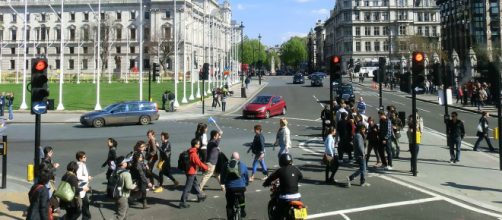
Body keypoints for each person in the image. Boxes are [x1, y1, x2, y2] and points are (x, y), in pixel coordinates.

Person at [262, 154, 303, 219]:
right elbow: (301, 177)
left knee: (277, 215)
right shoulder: (296, 169)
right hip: (297, 197)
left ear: (281, 161)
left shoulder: (280, 170)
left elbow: (271, 178)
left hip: (286, 197)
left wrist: (265, 183)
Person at [179, 138, 208, 209]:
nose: (199, 144)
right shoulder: (193, 153)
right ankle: (182, 202)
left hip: (189, 171)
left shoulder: (190, 150)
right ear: (195, 145)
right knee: (188, 187)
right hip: (191, 172)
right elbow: (198, 162)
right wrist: (206, 167)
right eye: (198, 143)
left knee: (195, 184)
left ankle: (200, 196)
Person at [221, 152, 249, 219]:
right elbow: (246, 177)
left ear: (231, 158)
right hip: (240, 187)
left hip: (230, 188)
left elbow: (222, 176)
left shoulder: (225, 165)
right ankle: (242, 210)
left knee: (229, 205)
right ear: (238, 158)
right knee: (242, 197)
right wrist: (246, 183)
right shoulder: (243, 165)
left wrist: (223, 183)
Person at [75, 151, 92, 220]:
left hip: (83, 188)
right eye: (84, 157)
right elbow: (79, 177)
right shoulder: (79, 165)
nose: (86, 158)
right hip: (81, 188)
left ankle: (86, 217)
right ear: (80, 158)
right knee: (84, 204)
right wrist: (87, 178)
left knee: (85, 204)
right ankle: (86, 217)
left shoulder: (81, 164)